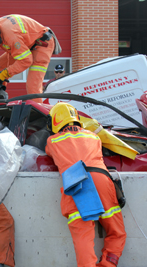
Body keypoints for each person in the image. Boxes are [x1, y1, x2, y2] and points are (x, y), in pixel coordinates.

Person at [45, 103, 126, 267]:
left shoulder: (53, 141)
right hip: (102, 180)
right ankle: (108, 264)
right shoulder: (94, 136)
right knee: (116, 232)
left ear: (54, 121)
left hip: (77, 183)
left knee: (83, 236)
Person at [0, 15, 62, 103]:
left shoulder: (10, 35)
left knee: (33, 86)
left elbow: (26, 61)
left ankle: (38, 114)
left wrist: (4, 74)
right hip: (25, 43)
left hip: (41, 44)